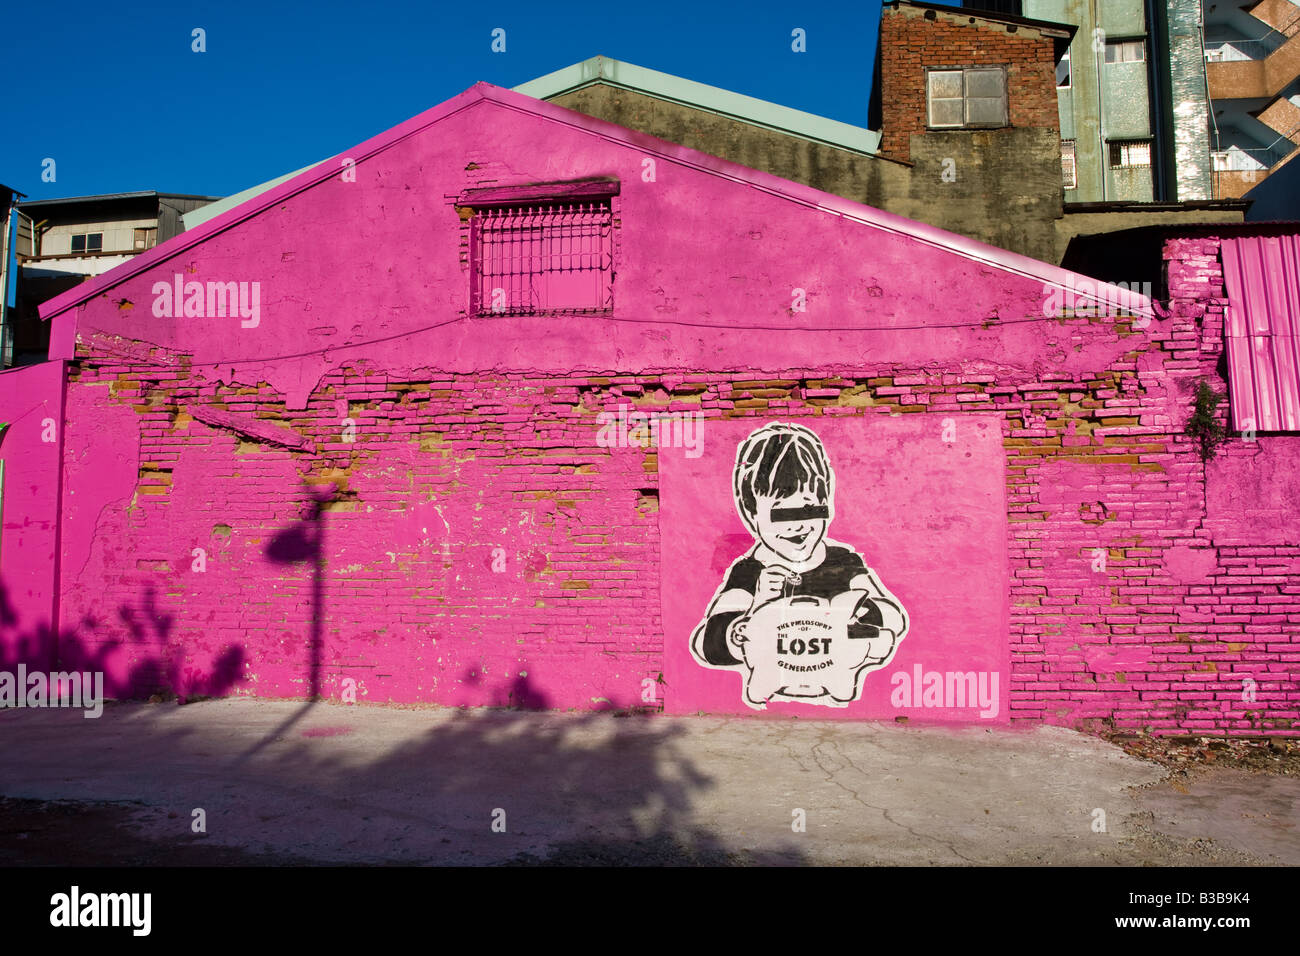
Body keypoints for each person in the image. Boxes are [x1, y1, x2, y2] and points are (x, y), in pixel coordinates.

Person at [690, 422, 907, 707]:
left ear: (826, 502)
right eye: (781, 513)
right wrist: (756, 609)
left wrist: (859, 611)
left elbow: (895, 618)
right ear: (751, 513)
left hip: (832, 682)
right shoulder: (751, 572)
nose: (798, 525)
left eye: (809, 509)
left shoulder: (842, 562)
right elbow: (707, 643)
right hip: (771, 688)